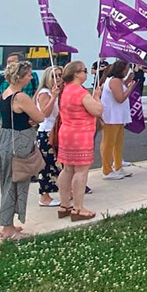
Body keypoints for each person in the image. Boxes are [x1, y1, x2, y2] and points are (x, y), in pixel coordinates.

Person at [0, 60, 46, 239]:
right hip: (19, 142)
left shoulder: (5, 93)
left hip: (6, 139)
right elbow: (39, 116)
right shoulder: (21, 96)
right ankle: (7, 227)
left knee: (8, 181)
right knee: (15, 182)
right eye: (28, 75)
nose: (31, 78)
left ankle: (9, 223)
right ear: (20, 77)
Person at [57, 61, 103, 221]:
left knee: (67, 169)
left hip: (66, 132)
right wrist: (97, 97)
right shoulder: (80, 92)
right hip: (81, 134)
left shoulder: (65, 90)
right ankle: (78, 208)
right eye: (84, 70)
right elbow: (97, 110)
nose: (86, 73)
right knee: (81, 171)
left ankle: (64, 205)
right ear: (76, 74)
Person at [100, 61, 137, 180]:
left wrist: (127, 81)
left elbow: (120, 89)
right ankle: (107, 170)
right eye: (126, 69)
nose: (127, 70)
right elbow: (120, 98)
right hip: (112, 117)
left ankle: (118, 165)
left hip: (118, 116)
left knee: (118, 143)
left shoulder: (118, 80)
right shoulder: (114, 80)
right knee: (108, 144)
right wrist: (130, 87)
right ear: (121, 70)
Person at [35, 66, 63, 207]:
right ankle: (44, 196)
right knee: (47, 165)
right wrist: (54, 97)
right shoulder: (44, 93)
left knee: (59, 163)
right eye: (54, 76)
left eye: (59, 75)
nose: (57, 79)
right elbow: (45, 113)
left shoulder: (58, 92)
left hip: (57, 131)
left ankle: (64, 189)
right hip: (46, 132)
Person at [0, 52, 39, 119]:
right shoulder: (2, 76)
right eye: (8, 62)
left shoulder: (32, 76)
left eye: (12, 62)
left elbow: (36, 91)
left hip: (26, 113)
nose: (9, 64)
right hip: (5, 115)